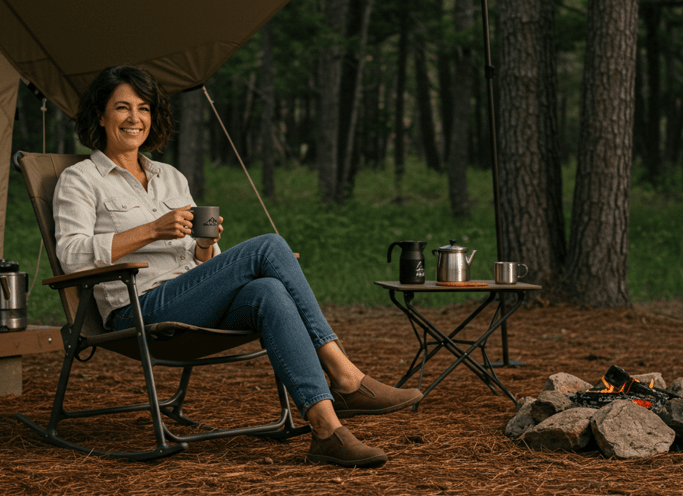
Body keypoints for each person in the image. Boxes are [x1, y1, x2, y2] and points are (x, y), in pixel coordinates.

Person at [53, 65, 422, 467]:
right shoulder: (80, 179)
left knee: (270, 291)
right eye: (122, 108)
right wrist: (151, 230)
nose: (134, 118)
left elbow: (200, 262)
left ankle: (326, 429)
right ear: (100, 116)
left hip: (189, 298)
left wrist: (205, 246)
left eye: (143, 108)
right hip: (137, 311)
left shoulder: (170, 177)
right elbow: (70, 255)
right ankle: (347, 378)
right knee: (269, 247)